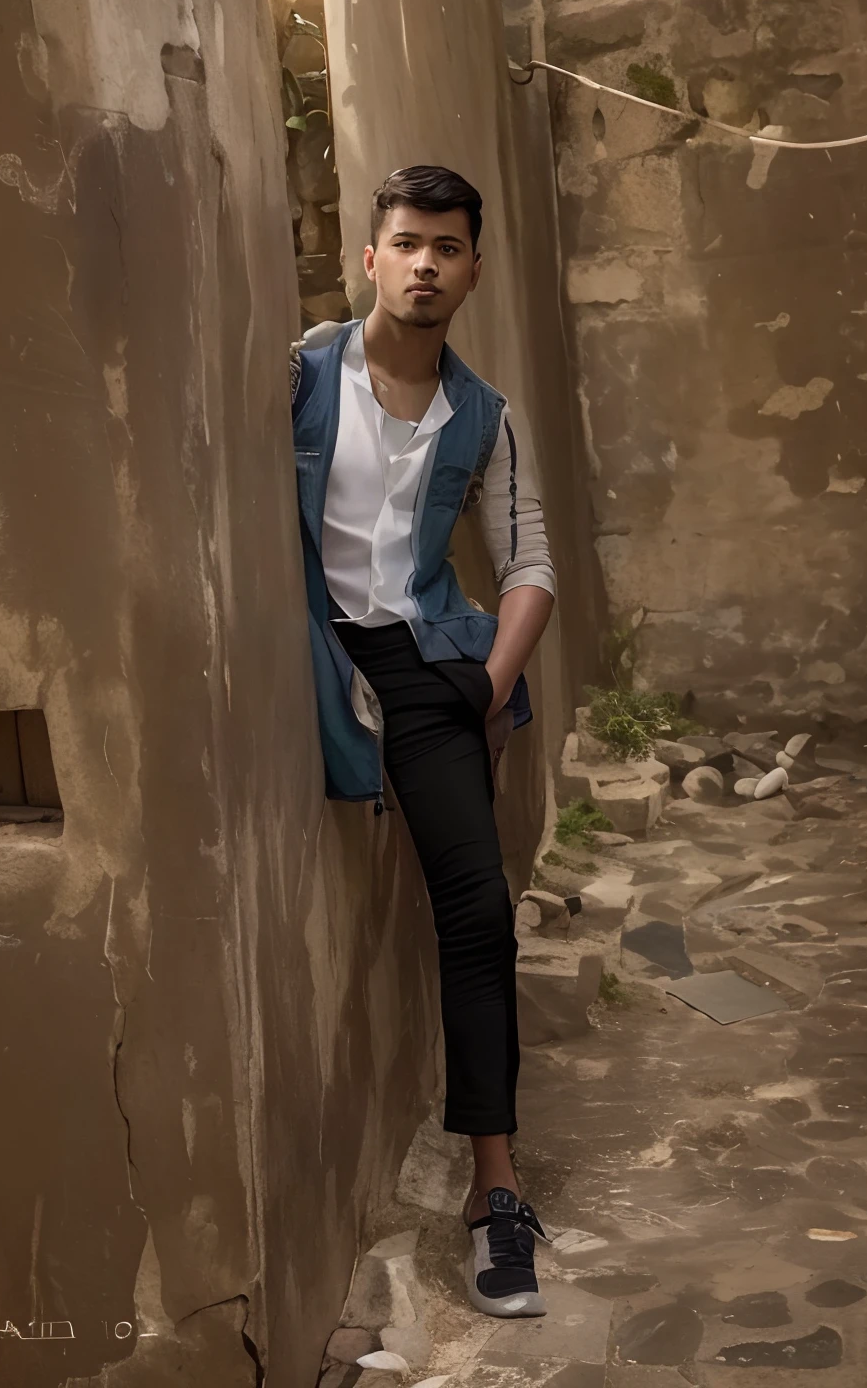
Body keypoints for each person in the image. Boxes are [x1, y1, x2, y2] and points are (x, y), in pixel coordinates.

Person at [290, 166, 555, 1318]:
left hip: (440, 663)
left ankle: (495, 1189)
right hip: (321, 642)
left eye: (448, 247)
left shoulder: (484, 413)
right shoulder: (300, 376)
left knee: (476, 909)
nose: (426, 264)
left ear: (473, 270)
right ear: (371, 257)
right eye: (406, 243)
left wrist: (493, 687)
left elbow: (530, 561)